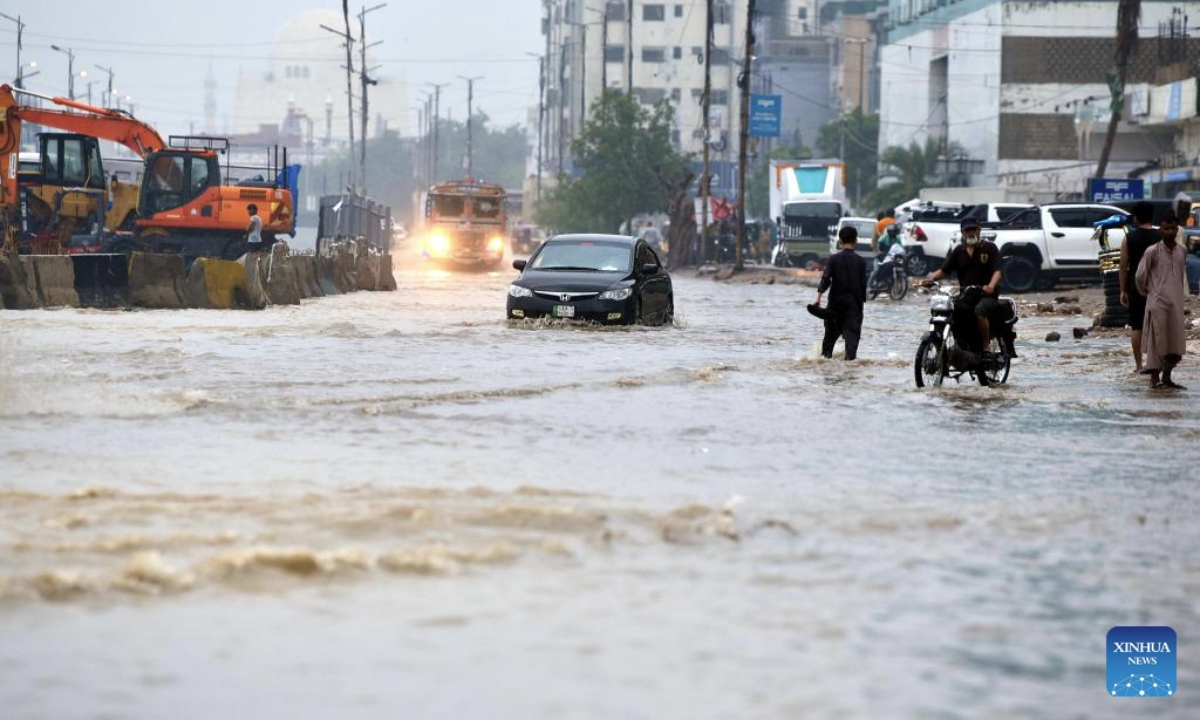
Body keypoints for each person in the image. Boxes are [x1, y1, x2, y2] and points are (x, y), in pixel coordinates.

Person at [922, 217, 1003, 354]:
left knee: (979, 311)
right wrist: (930, 279)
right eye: (967, 230)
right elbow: (944, 271)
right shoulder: (959, 251)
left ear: (979, 230)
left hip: (986, 295)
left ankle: (985, 346)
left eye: (973, 229)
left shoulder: (989, 248)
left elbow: (997, 272)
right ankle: (957, 343)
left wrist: (990, 285)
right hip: (966, 295)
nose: (971, 232)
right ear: (962, 232)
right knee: (949, 311)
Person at [1135, 213, 1188, 390]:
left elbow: (1180, 275)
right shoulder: (1152, 251)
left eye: (1173, 228)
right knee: (1157, 342)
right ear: (1160, 230)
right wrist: (1147, 294)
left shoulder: (1182, 250)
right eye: (1166, 228)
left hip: (1176, 303)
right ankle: (1154, 380)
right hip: (1157, 303)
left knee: (1174, 342)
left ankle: (1167, 378)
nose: (1170, 231)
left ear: (1177, 228)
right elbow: (1140, 276)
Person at [814, 225, 868, 361]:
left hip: (835, 307)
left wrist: (818, 298)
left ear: (840, 241)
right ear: (856, 241)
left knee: (826, 352)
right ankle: (849, 377)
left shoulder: (833, 259)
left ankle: (827, 374)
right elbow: (863, 287)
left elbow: (825, 279)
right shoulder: (861, 262)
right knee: (851, 354)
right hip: (854, 309)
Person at [1118, 201, 1158, 373]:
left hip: (1136, 286)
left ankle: (1139, 366)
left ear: (1136, 218)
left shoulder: (1129, 237)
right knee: (1157, 326)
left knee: (1137, 326)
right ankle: (1155, 363)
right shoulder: (1161, 236)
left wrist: (1122, 290)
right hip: (1158, 286)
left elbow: (1123, 266)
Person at [868, 223, 903, 291]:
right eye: (892, 231)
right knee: (876, 270)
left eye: (894, 231)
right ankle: (869, 286)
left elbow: (900, 249)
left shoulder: (898, 240)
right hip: (880, 259)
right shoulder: (883, 238)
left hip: (890, 259)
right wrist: (879, 252)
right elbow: (878, 247)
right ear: (889, 231)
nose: (893, 233)